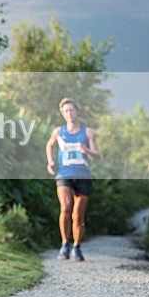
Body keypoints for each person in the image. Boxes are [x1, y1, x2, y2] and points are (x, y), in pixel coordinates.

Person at [45, 97, 101, 262]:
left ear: (77, 112)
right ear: (62, 113)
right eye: (66, 111)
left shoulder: (88, 132)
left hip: (83, 176)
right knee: (66, 207)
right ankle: (64, 243)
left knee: (78, 215)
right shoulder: (58, 132)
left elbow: (98, 155)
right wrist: (50, 162)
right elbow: (49, 145)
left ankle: (76, 246)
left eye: (72, 110)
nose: (69, 113)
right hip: (64, 175)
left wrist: (87, 151)